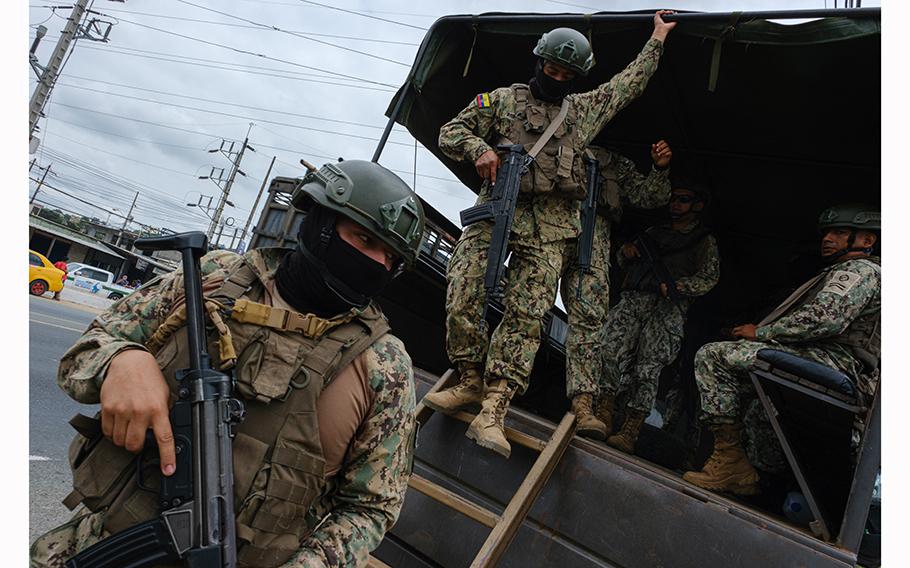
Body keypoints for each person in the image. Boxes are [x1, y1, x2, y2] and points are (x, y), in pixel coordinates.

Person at [30, 160, 426, 568]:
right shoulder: (212, 277)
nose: (377, 263)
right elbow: (83, 353)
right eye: (363, 239)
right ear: (321, 222)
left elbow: (372, 507)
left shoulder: (384, 365)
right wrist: (121, 360)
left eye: (391, 258)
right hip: (99, 546)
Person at [425, 12, 677, 458]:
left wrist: (657, 36)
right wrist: (479, 149)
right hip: (496, 213)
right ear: (538, 61)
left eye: (566, 74)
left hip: (551, 231)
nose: (556, 78)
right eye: (551, 69)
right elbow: (451, 131)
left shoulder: (580, 113)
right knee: (462, 289)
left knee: (526, 317)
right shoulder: (501, 101)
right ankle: (468, 379)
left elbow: (628, 84)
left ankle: (494, 410)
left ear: (576, 77)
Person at [682, 204, 880, 495]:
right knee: (756, 407)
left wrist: (760, 333)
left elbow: (823, 320)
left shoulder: (858, 271)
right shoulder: (842, 271)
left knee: (714, 356)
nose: (827, 239)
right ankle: (758, 482)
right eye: (826, 233)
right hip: (825, 359)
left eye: (839, 233)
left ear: (866, 241)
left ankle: (729, 462)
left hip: (835, 361)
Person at [561, 141, 673, 439]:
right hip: (549, 226)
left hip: (593, 243)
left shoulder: (612, 161)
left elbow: (650, 195)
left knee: (591, 326)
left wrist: (659, 169)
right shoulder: (555, 133)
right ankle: (499, 388)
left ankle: (588, 408)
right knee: (527, 310)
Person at [599, 185, 719, 454]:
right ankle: (603, 410)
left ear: (697, 205)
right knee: (607, 350)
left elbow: (709, 278)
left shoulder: (703, 241)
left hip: (667, 309)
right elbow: (622, 261)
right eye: (674, 199)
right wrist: (625, 252)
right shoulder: (655, 233)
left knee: (647, 369)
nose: (676, 204)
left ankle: (631, 429)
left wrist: (679, 286)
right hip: (634, 299)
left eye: (684, 199)